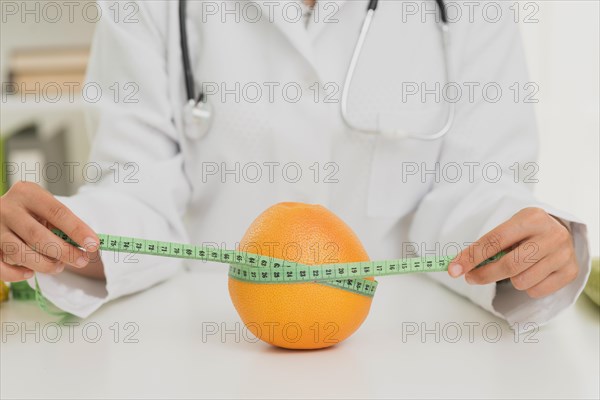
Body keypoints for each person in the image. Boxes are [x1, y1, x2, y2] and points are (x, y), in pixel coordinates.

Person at [0, 0, 590, 325]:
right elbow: (138, 192)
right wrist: (59, 234)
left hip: (408, 347)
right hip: (202, 347)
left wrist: (524, 246)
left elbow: (477, 188)